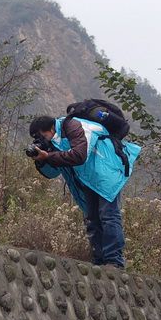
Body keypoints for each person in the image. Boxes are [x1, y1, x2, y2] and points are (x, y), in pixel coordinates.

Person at [27, 111, 141, 269]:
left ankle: (114, 262)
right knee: (92, 218)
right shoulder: (55, 140)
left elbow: (79, 155)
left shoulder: (72, 126)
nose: (40, 140)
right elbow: (52, 173)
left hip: (106, 171)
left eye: (40, 136)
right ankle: (100, 261)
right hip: (88, 177)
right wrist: (41, 161)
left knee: (108, 215)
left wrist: (49, 156)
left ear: (51, 128)